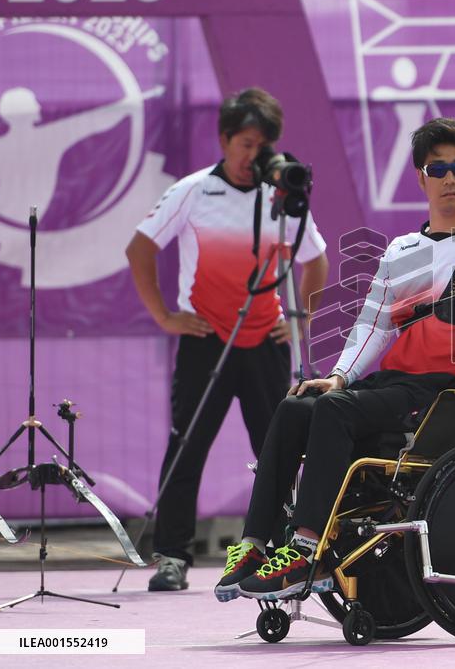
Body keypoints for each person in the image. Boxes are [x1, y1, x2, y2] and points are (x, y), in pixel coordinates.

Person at [214, 117, 455, 603]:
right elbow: (373, 326)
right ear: (421, 178)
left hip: (447, 395)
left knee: (333, 410)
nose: (449, 178)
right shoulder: (400, 251)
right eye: (438, 169)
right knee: (297, 406)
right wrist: (339, 376)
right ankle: (254, 543)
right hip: (395, 387)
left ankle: (308, 548)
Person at [126, 88, 330, 591]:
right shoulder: (193, 191)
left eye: (261, 146)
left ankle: (282, 550)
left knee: (277, 451)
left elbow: (316, 260)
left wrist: (300, 321)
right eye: (243, 143)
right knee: (186, 445)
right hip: (206, 340)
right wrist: (166, 317)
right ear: (224, 139)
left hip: (265, 343)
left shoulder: (282, 197)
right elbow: (139, 249)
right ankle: (172, 556)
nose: (251, 156)